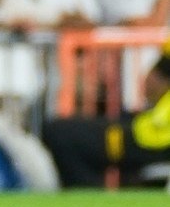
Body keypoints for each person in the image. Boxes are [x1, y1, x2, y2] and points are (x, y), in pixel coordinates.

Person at [44, 37, 170, 188]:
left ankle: (87, 193)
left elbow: (152, 84)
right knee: (64, 132)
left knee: (62, 134)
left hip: (151, 137)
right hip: (148, 129)